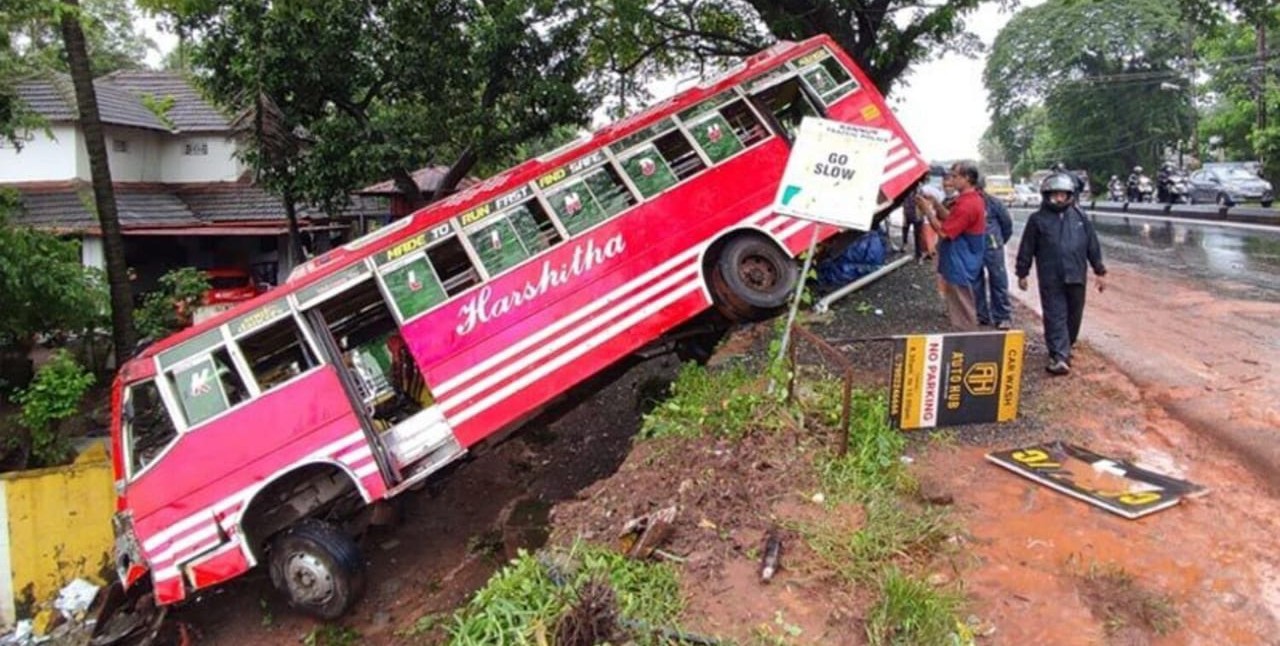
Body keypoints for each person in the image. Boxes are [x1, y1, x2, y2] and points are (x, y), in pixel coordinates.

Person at [1014, 173, 1107, 375]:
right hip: (1051, 276)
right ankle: (1059, 356)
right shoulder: (1037, 220)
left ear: (1069, 196)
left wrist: (1099, 271)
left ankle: (1066, 345)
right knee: (1055, 315)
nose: (1059, 198)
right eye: (1055, 194)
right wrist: (1022, 272)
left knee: (1074, 314)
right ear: (1047, 195)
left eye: (1063, 195)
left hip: (1076, 275)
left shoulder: (1080, 217)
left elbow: (1092, 245)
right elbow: (1027, 247)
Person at [916, 161, 986, 330]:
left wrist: (927, 211)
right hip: (959, 261)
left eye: (955, 177)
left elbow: (944, 232)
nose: (950, 181)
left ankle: (966, 347)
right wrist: (936, 204)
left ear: (967, 178)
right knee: (958, 307)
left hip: (961, 264)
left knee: (962, 311)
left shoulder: (968, 205)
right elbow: (951, 218)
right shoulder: (967, 200)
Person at [975, 177, 1014, 329]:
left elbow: (1007, 225)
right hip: (973, 248)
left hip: (993, 248)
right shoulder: (963, 203)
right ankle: (981, 315)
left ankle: (1002, 316)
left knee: (998, 281)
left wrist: (998, 242)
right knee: (975, 282)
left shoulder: (994, 203)